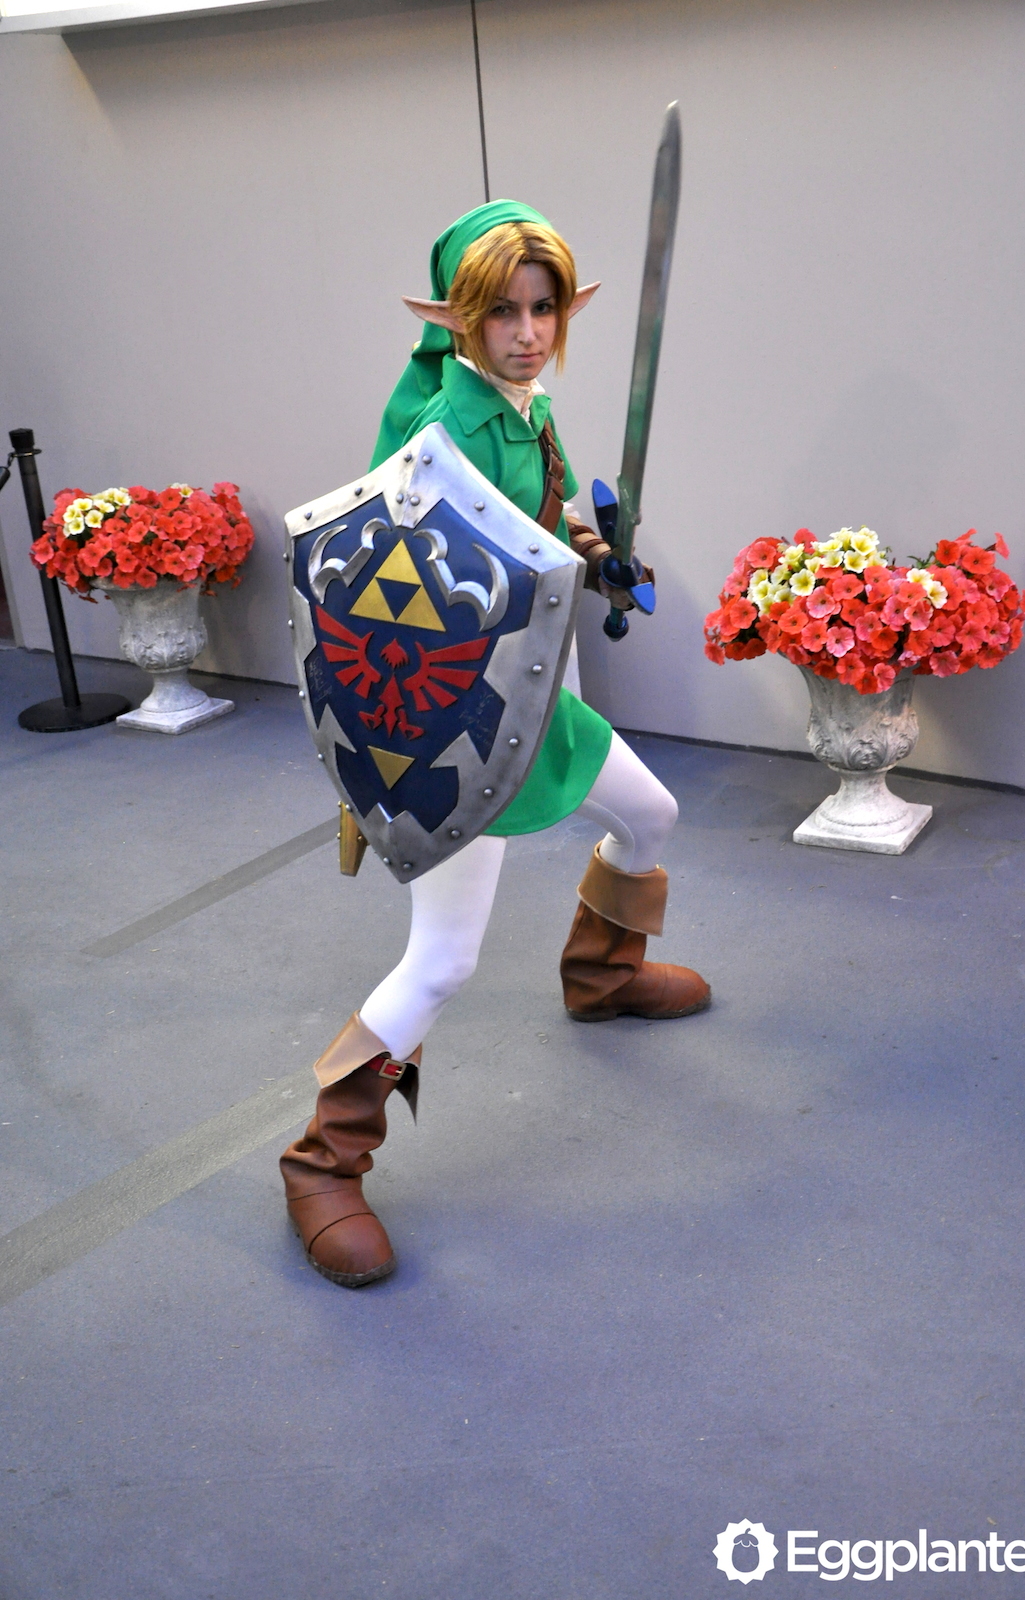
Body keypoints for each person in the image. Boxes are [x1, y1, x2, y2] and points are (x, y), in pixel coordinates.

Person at [281, 201, 709, 1289]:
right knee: (445, 960)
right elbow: (403, 589)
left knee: (651, 816)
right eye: (503, 313)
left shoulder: (528, 409)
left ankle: (601, 973)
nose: (527, 333)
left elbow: (542, 527)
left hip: (538, 704)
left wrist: (596, 554)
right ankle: (322, 1162)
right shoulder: (444, 431)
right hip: (456, 728)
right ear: (457, 318)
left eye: (543, 309)